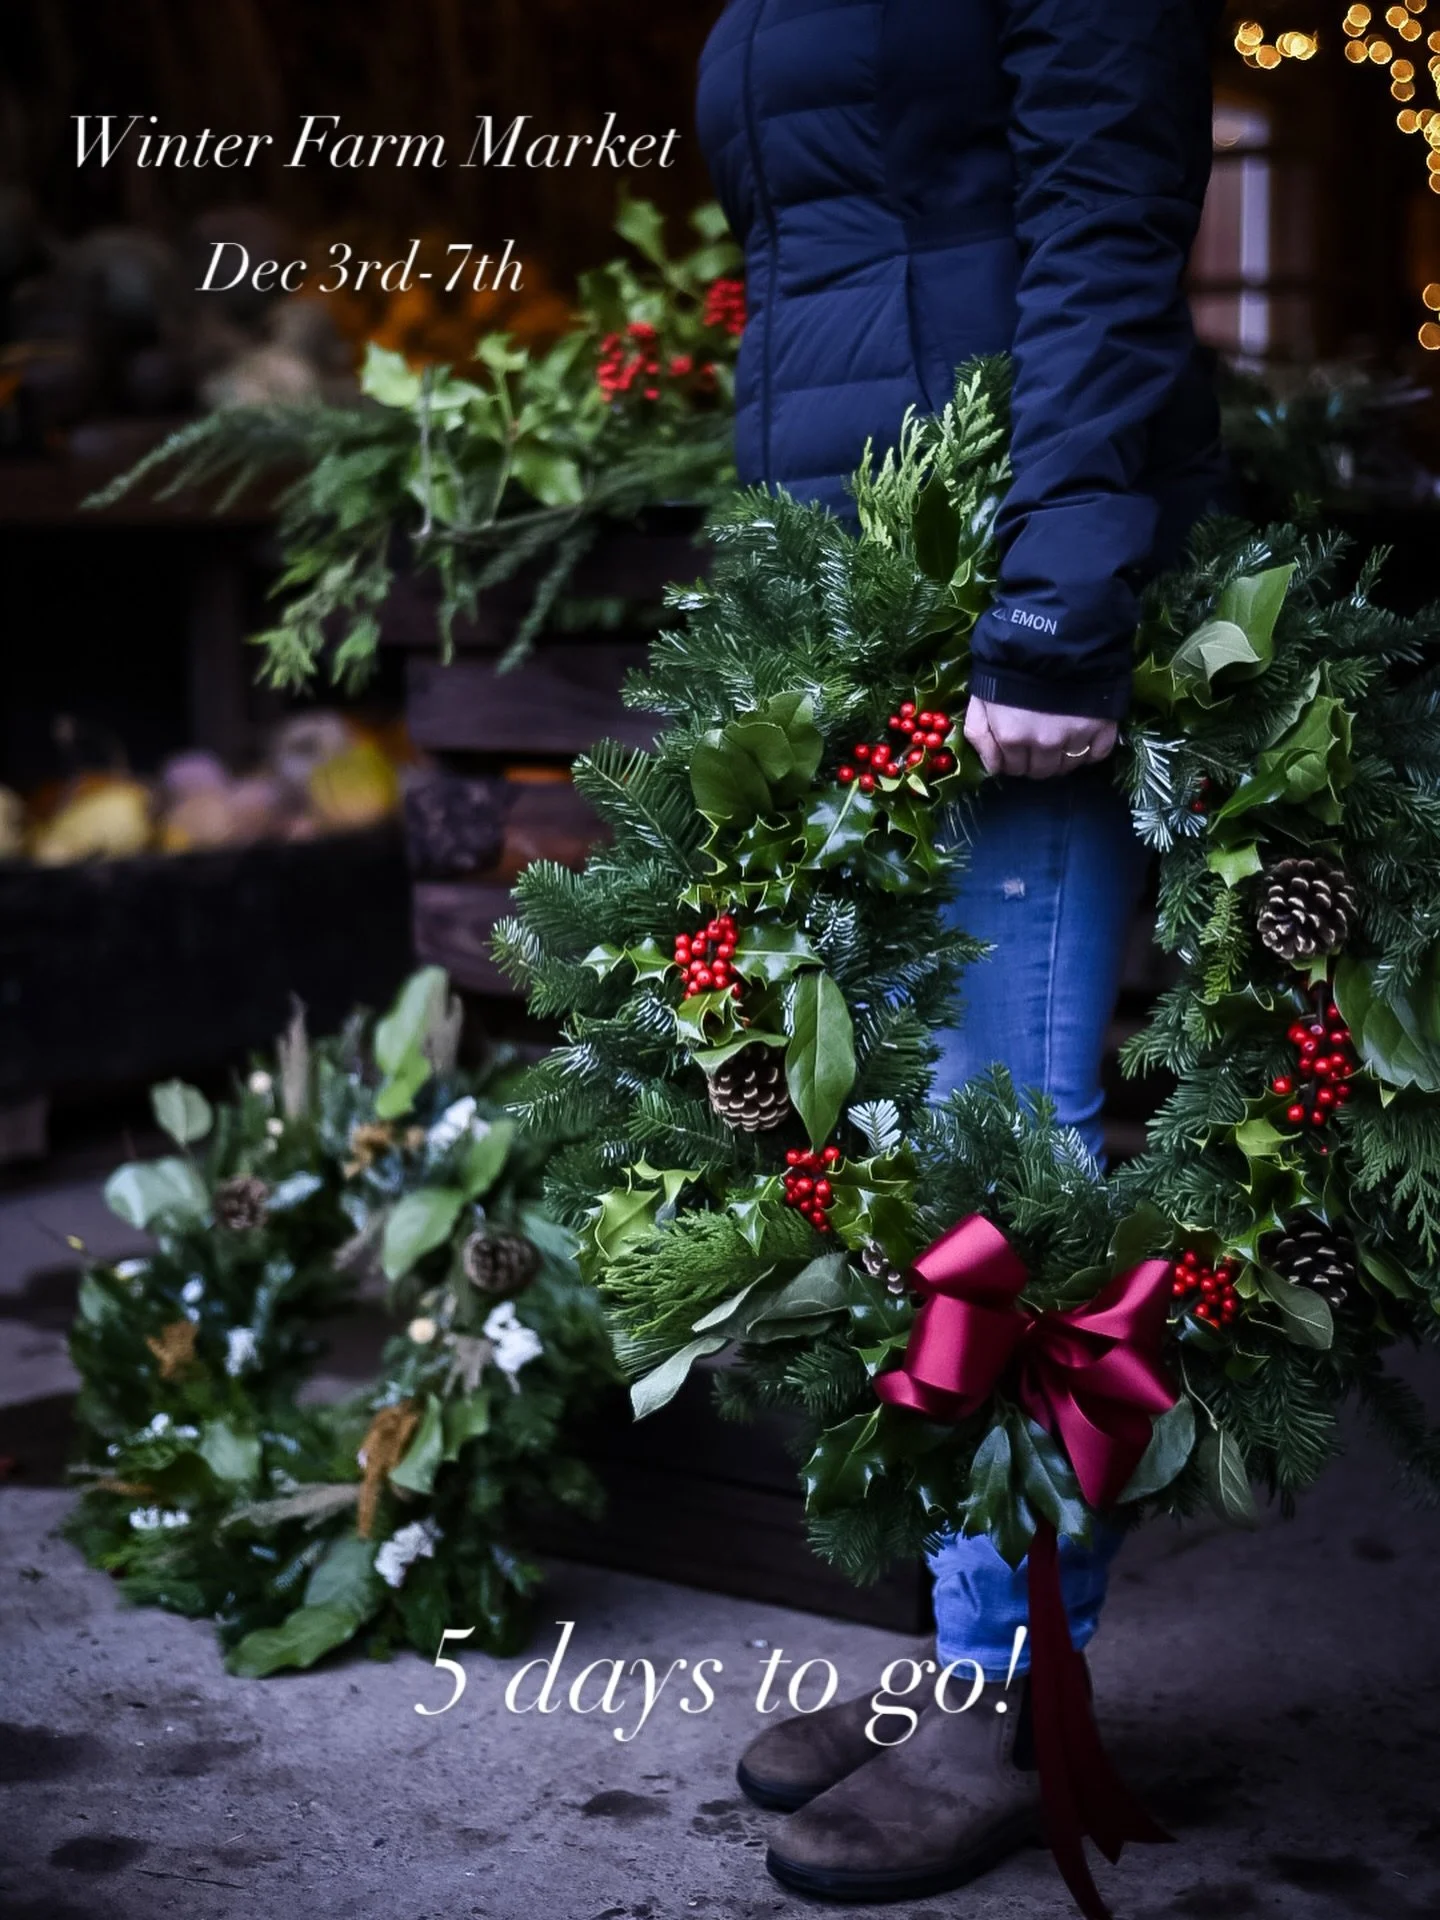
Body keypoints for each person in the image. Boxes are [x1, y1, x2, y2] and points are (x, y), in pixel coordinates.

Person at [696, 0, 1228, 1903]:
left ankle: (1021, 1691)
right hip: (863, 584)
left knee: (1014, 1146)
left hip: (1003, 587)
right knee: (929, 1169)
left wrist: (1061, 599)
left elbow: (1103, 198)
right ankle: (963, 1649)